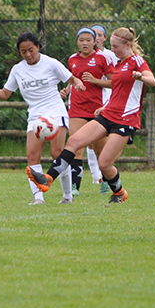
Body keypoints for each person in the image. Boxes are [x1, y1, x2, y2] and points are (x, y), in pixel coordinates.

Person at [27, 27, 155, 204]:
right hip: (109, 114)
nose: (113, 50)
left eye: (115, 46)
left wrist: (141, 77)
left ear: (127, 44)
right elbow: (118, 92)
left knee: (104, 163)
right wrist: (105, 107)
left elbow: (152, 80)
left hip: (125, 119)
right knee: (74, 142)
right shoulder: (118, 64)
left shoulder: (137, 61)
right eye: (111, 45)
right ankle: (47, 179)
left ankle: (119, 192)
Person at [0, 31, 85, 205]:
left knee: (57, 154)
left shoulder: (51, 63)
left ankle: (67, 196)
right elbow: (5, 94)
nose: (28, 54)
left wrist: (78, 84)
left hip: (55, 112)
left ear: (38, 47)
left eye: (31, 50)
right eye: (23, 52)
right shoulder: (18, 70)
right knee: (32, 156)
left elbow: (71, 79)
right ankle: (38, 198)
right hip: (36, 117)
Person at [58, 27, 113, 197]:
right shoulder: (72, 59)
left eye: (88, 40)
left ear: (94, 42)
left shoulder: (102, 58)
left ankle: (105, 182)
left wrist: (95, 81)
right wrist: (67, 89)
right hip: (77, 109)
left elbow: (113, 82)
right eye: (81, 40)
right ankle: (75, 186)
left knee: (100, 150)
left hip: (97, 109)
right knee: (76, 146)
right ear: (77, 42)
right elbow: (72, 78)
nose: (85, 43)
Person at [87, 25, 118, 194]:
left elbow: (114, 78)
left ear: (104, 38)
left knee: (100, 140)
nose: (96, 38)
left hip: (106, 99)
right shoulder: (81, 56)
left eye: (99, 35)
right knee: (90, 142)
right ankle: (95, 176)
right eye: (94, 35)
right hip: (88, 100)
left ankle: (104, 178)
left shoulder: (110, 55)